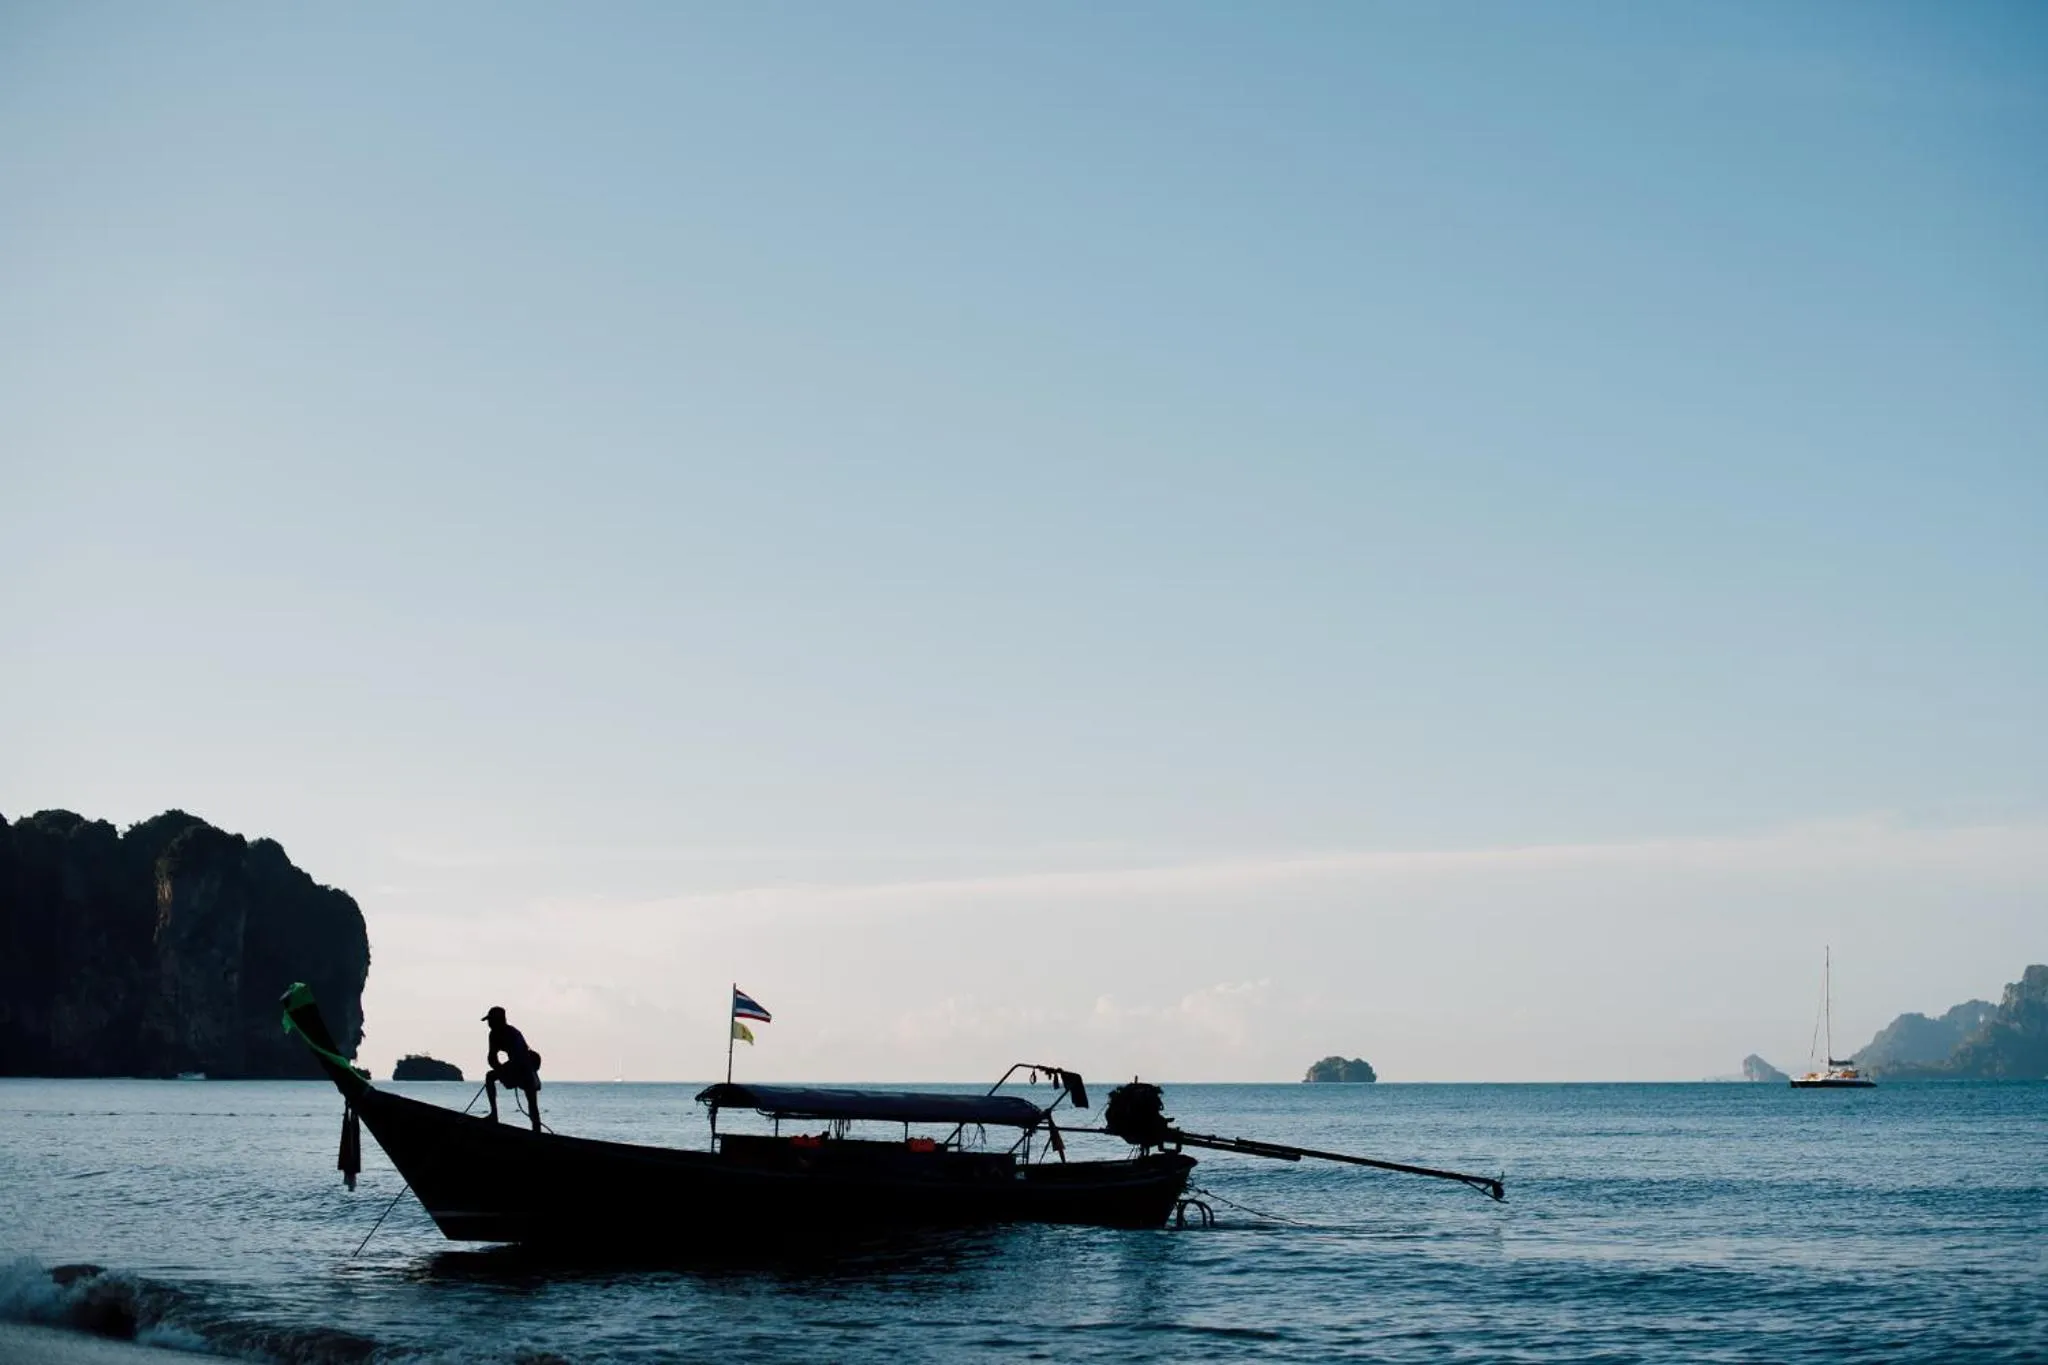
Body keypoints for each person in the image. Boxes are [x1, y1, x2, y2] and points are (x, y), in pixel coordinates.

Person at [481, 1005, 543, 1132]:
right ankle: (494, 1115)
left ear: (499, 1020)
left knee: (531, 1100)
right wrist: (499, 1069)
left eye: (491, 1020)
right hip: (513, 1064)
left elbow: (521, 1058)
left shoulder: (513, 1033)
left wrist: (506, 1072)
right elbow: (492, 1057)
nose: (489, 1023)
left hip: (526, 1065)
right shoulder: (493, 1035)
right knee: (490, 1076)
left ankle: (537, 1130)